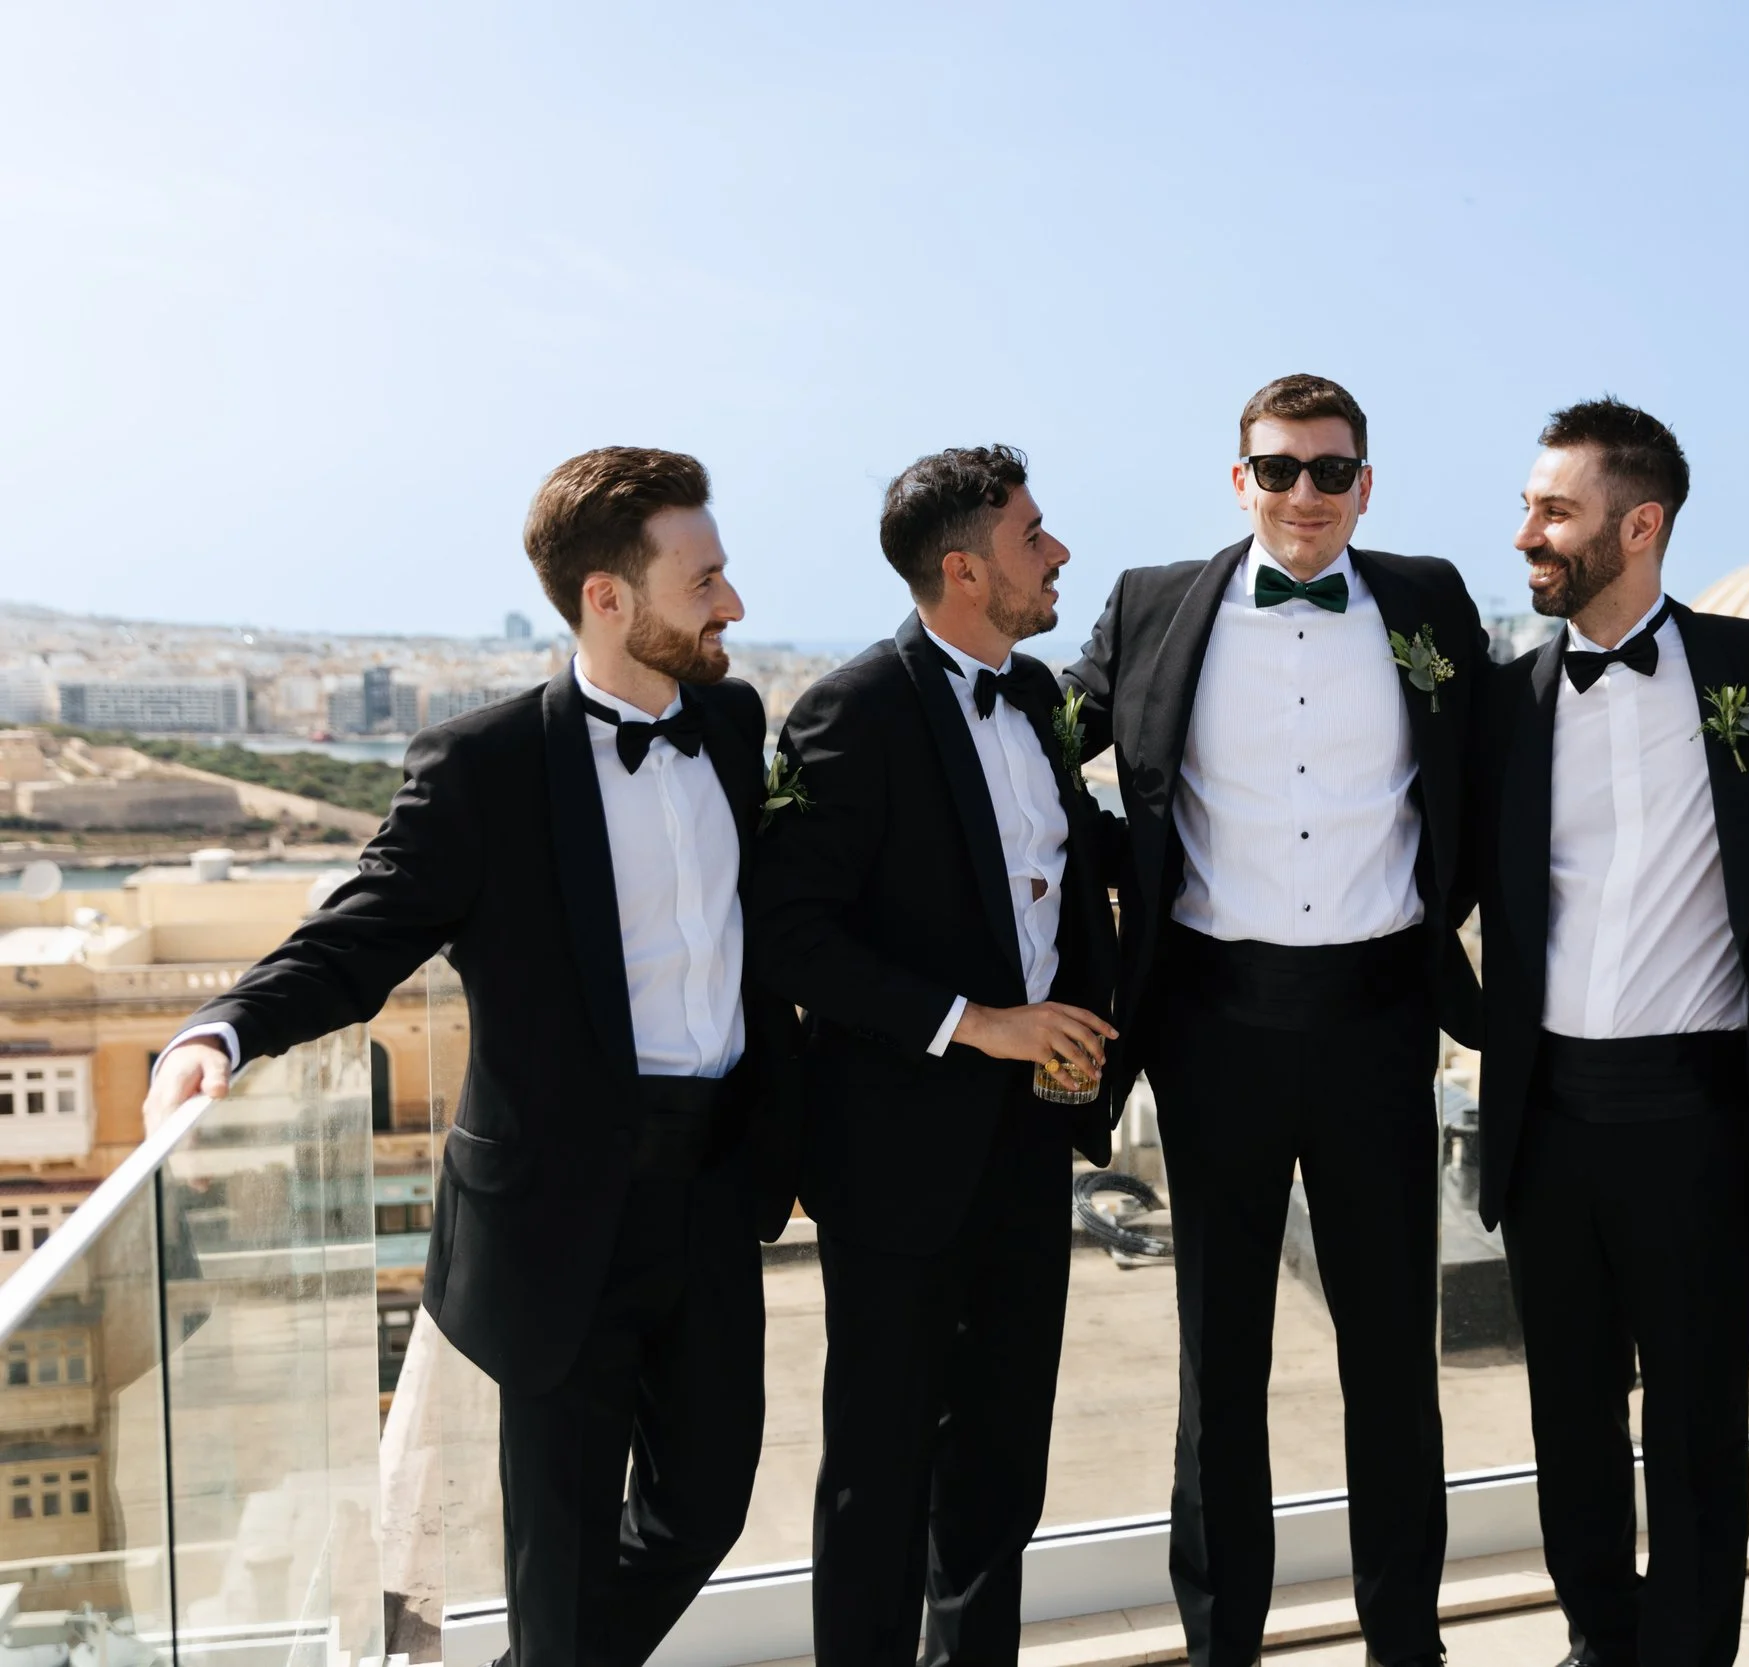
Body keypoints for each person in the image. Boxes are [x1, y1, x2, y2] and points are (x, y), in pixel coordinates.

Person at [141, 447, 803, 1667]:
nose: (734, 604)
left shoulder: (730, 717)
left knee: (702, 1506)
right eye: (705, 578)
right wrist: (221, 1026)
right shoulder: (483, 766)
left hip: (714, 1185)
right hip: (561, 1214)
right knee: (555, 1555)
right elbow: (369, 925)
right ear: (608, 597)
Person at [1063, 375, 1483, 1667]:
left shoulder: (1431, 601)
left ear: (1368, 482)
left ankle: (1407, 1640)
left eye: (1332, 470)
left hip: (1375, 1025)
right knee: (1219, 1368)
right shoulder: (1151, 602)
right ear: (1237, 477)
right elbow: (1033, 738)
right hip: (1214, 1030)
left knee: (1393, 1367)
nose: (1306, 494)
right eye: (1280, 467)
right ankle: (1220, 1645)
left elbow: (1494, 769)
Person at [746, 446, 1121, 1667]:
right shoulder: (853, 709)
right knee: (878, 1471)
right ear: (964, 570)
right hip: (895, 1154)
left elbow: (1060, 873)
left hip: (1027, 1143)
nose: (1057, 551)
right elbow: (791, 933)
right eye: (1032, 536)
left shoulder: (1041, 696)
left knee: (1002, 1463)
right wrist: (979, 1020)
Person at [1473, 399, 1749, 1667]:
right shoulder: (1501, 698)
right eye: (1528, 504)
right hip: (1546, 1116)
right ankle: (1596, 1636)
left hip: (1698, 1112)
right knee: (1567, 1412)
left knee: (1693, 1419)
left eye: (1553, 509)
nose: (1526, 531)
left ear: (1641, 524)